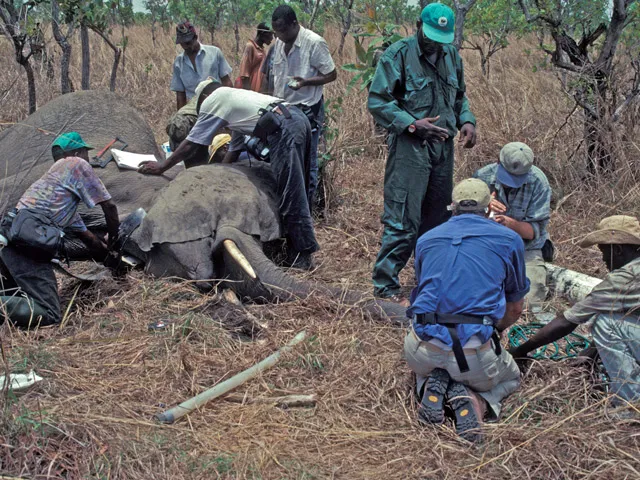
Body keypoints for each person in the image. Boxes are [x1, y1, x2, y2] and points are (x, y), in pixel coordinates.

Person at [138, 80, 319, 269]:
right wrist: (213, 175)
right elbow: (233, 150)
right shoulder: (237, 105)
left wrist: (162, 166)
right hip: (296, 118)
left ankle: (302, 254)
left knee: (292, 191)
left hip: (284, 127)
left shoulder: (215, 99)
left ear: (205, 99)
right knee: (300, 186)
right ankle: (297, 246)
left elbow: (192, 142)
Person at [368, 3, 477, 305]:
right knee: (403, 218)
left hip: (442, 148)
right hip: (410, 148)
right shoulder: (398, 55)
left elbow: (459, 96)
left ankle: (429, 280)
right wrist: (413, 125)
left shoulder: (452, 56)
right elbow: (378, 101)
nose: (434, 43)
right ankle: (386, 286)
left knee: (438, 218)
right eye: (429, 36)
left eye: (441, 37)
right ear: (418, 25)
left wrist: (467, 119)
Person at [404, 178, 529, 441]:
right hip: (474, 357)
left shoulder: (426, 240)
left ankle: (428, 385)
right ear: (487, 210)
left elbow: (425, 290)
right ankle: (476, 401)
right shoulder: (509, 239)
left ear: (452, 206)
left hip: (422, 351)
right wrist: (497, 330)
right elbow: (515, 308)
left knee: (425, 363)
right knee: (512, 378)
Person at [510, 215, 640, 408]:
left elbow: (567, 321)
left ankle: (629, 405)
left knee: (605, 322)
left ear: (619, 250)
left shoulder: (624, 279)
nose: (603, 259)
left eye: (604, 251)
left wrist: (520, 351)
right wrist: (592, 352)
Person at [0, 132, 119, 328]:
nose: (88, 158)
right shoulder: (76, 164)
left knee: (17, 296)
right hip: (27, 245)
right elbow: (110, 207)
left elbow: (88, 239)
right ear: (78, 152)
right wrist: (115, 239)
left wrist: (108, 257)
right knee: (49, 313)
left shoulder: (56, 197)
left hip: (9, 240)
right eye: (86, 153)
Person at [271, 5, 337, 205]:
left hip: (307, 110)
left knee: (307, 161)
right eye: (276, 31)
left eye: (282, 30)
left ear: (294, 23)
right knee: (285, 158)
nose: (280, 35)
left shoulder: (314, 42)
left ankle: (306, 209)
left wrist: (306, 82)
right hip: (283, 109)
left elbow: (332, 74)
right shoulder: (278, 43)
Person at [474, 142, 552, 309]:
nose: (510, 184)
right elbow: (459, 213)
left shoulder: (539, 183)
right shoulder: (482, 176)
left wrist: (509, 223)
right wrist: (483, 206)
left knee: (529, 303)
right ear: (498, 162)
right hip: (488, 245)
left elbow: (533, 233)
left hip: (525, 247)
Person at [167, 21, 233, 151]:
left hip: (216, 106)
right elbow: (180, 95)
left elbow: (227, 82)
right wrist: (181, 116)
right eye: (182, 43)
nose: (186, 46)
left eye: (188, 42)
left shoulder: (214, 53)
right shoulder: (179, 63)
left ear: (195, 37)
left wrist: (230, 112)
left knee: (218, 146)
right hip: (194, 111)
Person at [236, 23, 274, 92]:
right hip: (252, 90)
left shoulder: (262, 49)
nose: (272, 38)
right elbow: (244, 73)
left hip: (259, 90)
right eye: (270, 34)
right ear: (263, 34)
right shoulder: (250, 46)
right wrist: (248, 93)